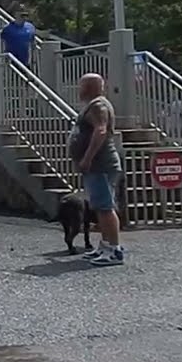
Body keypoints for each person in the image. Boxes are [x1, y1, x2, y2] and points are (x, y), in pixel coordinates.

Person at [69, 73, 126, 267]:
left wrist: (87, 158)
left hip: (100, 165)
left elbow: (100, 131)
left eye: (82, 86)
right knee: (100, 207)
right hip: (97, 166)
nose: (80, 89)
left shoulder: (98, 106)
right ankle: (105, 244)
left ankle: (114, 249)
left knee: (105, 207)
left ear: (91, 87)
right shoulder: (93, 105)